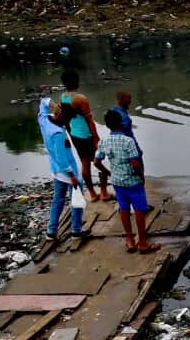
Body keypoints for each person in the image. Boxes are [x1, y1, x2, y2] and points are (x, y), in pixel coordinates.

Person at [97, 109, 158, 254]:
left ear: (107, 125)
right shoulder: (128, 141)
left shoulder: (104, 141)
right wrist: (141, 177)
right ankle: (142, 243)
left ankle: (130, 240)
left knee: (123, 209)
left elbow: (96, 161)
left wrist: (108, 172)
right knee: (139, 210)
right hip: (132, 181)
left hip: (117, 182)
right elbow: (135, 163)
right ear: (121, 123)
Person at [37, 98, 86, 241]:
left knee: (57, 200)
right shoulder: (57, 133)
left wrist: (53, 105)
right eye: (66, 119)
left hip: (56, 170)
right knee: (76, 200)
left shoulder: (44, 120)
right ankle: (76, 230)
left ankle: (51, 231)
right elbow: (61, 158)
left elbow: (43, 101)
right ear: (60, 116)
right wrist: (72, 176)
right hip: (68, 171)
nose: (67, 123)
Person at [60, 70, 110, 201]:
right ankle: (104, 191)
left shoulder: (63, 97)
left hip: (74, 134)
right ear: (76, 82)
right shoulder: (80, 98)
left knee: (85, 162)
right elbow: (89, 120)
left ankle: (93, 194)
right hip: (86, 134)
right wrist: (96, 137)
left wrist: (69, 133)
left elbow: (66, 118)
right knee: (98, 161)